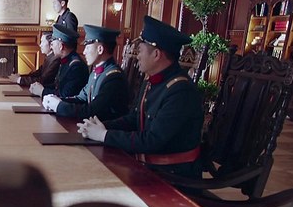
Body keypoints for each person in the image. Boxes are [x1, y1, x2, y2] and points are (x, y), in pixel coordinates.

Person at [78, 16, 203, 179]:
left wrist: (104, 135)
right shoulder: (152, 81)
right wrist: (101, 126)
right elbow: (134, 119)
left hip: (171, 176)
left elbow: (152, 141)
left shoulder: (180, 91)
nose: (137, 56)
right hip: (147, 166)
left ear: (156, 54)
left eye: (141, 51)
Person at [42, 24, 128, 121]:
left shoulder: (113, 78)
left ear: (100, 49)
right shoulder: (96, 72)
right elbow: (81, 98)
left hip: (105, 127)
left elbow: (91, 111)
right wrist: (56, 100)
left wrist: (59, 106)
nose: (84, 52)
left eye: (87, 48)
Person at [29, 23, 87, 98]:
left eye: (52, 44)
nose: (51, 47)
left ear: (61, 46)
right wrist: (40, 87)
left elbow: (65, 94)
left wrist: (42, 91)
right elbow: (58, 86)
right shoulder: (67, 60)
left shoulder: (76, 66)